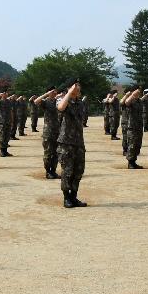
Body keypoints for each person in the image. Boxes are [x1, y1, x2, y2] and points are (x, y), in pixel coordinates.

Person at [57, 79, 87, 208]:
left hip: (79, 143)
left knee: (78, 171)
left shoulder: (80, 103)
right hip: (66, 143)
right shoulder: (62, 100)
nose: (78, 89)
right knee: (67, 172)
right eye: (76, 87)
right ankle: (66, 198)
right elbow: (61, 107)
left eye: (79, 87)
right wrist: (69, 93)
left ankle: (74, 197)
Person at [34, 87, 60, 179]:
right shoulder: (45, 102)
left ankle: (53, 171)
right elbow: (36, 101)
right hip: (48, 131)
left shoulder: (58, 101)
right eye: (53, 91)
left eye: (55, 91)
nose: (55, 92)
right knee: (48, 153)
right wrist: (46, 94)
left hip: (58, 130)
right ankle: (48, 171)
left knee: (56, 152)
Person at [125, 86, 144, 169]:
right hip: (132, 127)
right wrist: (132, 95)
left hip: (139, 126)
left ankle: (134, 161)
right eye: (138, 90)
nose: (139, 91)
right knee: (132, 145)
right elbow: (126, 102)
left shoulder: (139, 101)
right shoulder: (131, 100)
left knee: (137, 145)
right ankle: (130, 162)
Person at [0, 91, 13, 157]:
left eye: (6, 93)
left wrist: (12, 120)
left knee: (7, 137)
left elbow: (11, 111)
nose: (6, 94)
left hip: (8, 121)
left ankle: (5, 151)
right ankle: (2, 151)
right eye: (4, 93)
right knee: (2, 137)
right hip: (1, 122)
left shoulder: (9, 101)